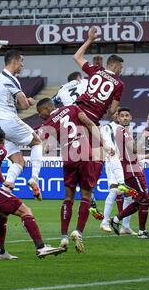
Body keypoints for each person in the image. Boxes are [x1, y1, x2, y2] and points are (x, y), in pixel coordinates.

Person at [0, 128, 64, 260]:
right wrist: (3, 181)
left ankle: (0, 252)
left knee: (2, 213)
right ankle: (41, 247)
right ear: (4, 141)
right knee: (25, 211)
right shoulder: (0, 148)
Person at [36, 98, 112, 253]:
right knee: (86, 196)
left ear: (46, 108)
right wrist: (105, 144)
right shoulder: (72, 108)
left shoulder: (48, 123)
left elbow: (46, 147)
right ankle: (78, 232)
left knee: (68, 198)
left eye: (40, 112)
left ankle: (64, 237)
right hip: (85, 155)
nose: (40, 115)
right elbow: (90, 124)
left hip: (69, 159)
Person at [73, 26, 126, 219]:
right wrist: (113, 114)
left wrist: (89, 40)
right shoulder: (119, 84)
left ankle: (90, 194)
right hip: (91, 121)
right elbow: (112, 110)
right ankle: (115, 183)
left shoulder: (95, 70)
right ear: (115, 66)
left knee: (79, 157)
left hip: (75, 114)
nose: (121, 70)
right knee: (104, 153)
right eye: (121, 67)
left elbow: (77, 57)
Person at [0, 49, 43, 201]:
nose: (22, 65)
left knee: (19, 161)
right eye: (21, 61)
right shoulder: (11, 78)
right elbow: (24, 105)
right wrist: (30, 101)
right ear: (14, 61)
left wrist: (24, 101)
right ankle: (34, 178)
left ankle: (5, 191)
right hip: (8, 120)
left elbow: (10, 101)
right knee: (37, 141)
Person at [109, 107, 149, 239]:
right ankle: (142, 230)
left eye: (126, 115)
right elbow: (134, 149)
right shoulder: (122, 130)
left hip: (131, 169)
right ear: (118, 118)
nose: (124, 118)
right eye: (122, 116)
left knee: (140, 200)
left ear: (131, 117)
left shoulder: (125, 131)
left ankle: (117, 220)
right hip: (131, 170)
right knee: (145, 198)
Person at [100, 110, 137, 235]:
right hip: (113, 162)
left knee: (129, 194)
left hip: (125, 163)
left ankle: (125, 226)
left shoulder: (126, 129)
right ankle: (104, 221)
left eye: (121, 114)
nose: (118, 115)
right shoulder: (108, 127)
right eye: (117, 113)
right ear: (113, 115)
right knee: (114, 190)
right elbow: (108, 145)